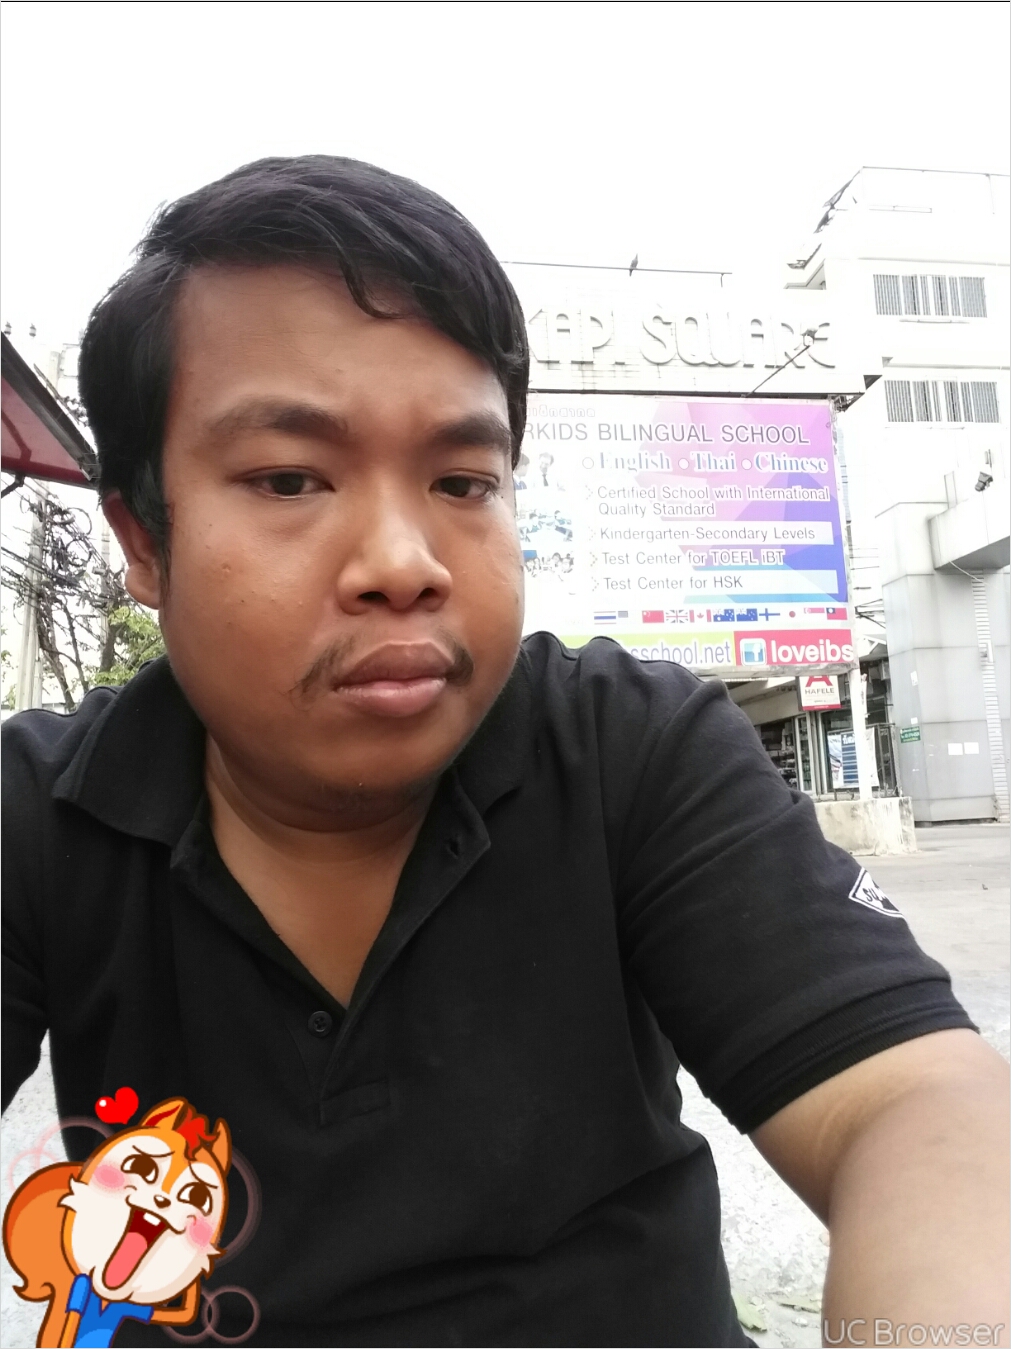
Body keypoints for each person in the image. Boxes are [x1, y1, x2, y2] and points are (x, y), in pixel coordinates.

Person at [3, 156, 1007, 1349]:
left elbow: (911, 1102)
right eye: (290, 478)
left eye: (462, 480)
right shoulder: (39, 815)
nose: (404, 560)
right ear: (143, 539)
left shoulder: (630, 750)